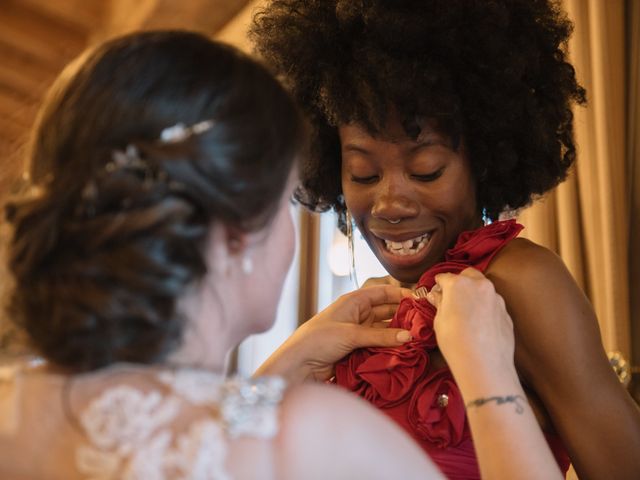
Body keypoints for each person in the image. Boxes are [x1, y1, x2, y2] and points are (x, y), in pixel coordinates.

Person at [0, 30, 562, 480]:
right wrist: (491, 380)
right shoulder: (314, 436)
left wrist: (285, 366)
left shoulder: (14, 412)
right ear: (238, 236)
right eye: (285, 204)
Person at [250, 1, 640, 478]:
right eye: (364, 173)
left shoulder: (519, 281)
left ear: (486, 160)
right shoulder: (363, 318)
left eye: (426, 170)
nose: (390, 203)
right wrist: (287, 360)